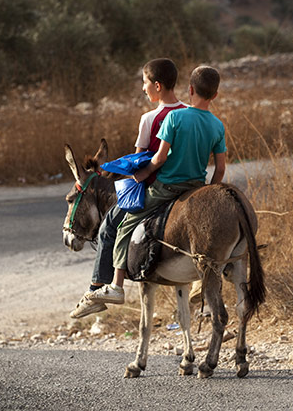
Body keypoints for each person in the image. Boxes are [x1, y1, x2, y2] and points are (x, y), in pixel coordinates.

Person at [88, 65, 226, 305]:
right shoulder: (217, 125)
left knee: (124, 225)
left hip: (167, 187)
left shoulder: (174, 117)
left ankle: (117, 286)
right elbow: (221, 169)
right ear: (215, 95)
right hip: (196, 187)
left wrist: (142, 174)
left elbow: (160, 158)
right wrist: (210, 191)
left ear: (190, 89)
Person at [69, 58, 186, 319]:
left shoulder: (151, 119)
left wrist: (116, 170)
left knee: (110, 226)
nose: (143, 89)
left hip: (156, 187)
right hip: (190, 183)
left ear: (157, 85)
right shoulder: (190, 112)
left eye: (145, 84)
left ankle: (99, 288)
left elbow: (139, 161)